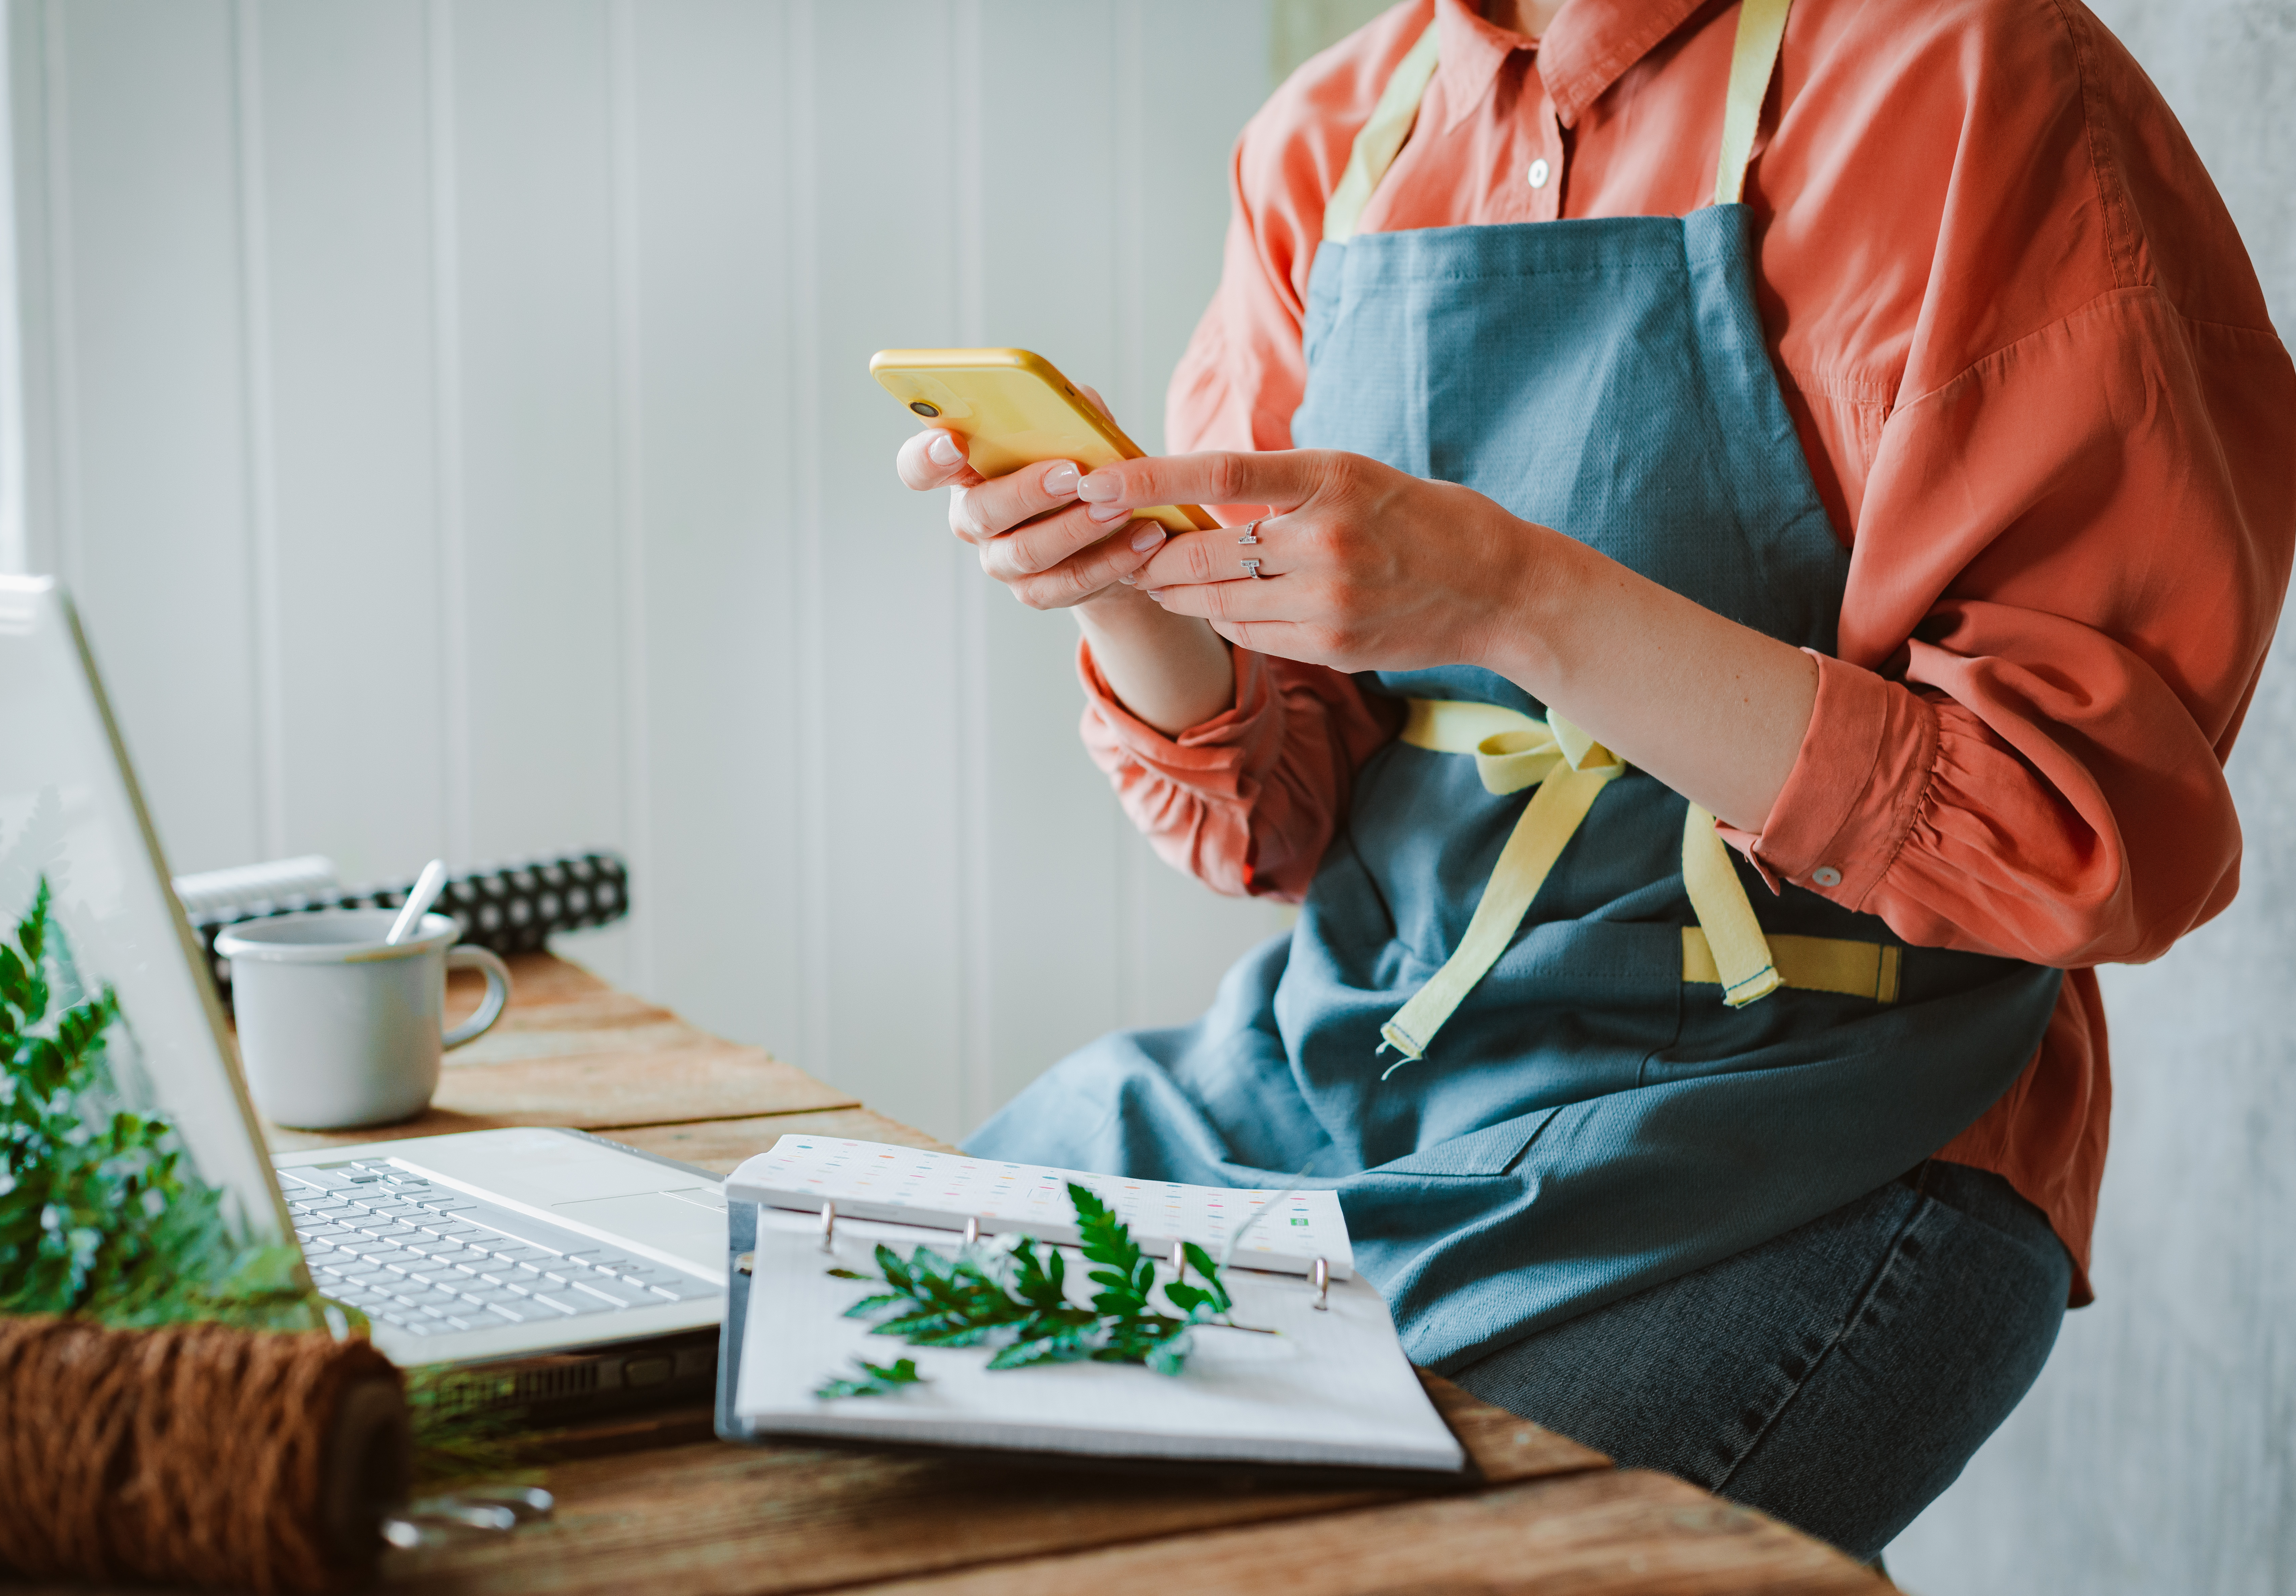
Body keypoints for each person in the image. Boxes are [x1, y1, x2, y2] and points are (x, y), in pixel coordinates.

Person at [893, 0, 2292, 1559]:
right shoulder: (1329, 136)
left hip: (1816, 1122)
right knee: (878, 1348)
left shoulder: (1965, 74)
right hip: (1358, 1070)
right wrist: (1114, 590)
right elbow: (1275, 820)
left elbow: (2067, 829)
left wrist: (1513, 597)